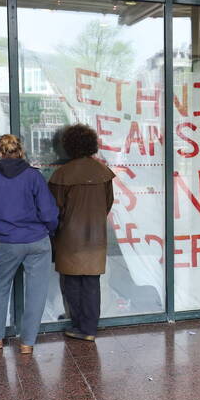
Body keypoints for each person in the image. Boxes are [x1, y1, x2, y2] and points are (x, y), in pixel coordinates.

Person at [0, 134, 59, 355]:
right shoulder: (34, 176)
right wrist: (47, 230)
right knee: (37, 292)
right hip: (37, 240)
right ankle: (27, 342)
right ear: (20, 151)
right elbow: (49, 211)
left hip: (7, 241)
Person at [49, 124, 115, 342]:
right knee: (91, 282)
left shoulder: (62, 174)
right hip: (96, 236)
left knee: (71, 283)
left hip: (69, 237)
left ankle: (79, 325)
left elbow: (54, 209)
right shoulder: (103, 172)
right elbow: (108, 203)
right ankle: (90, 327)